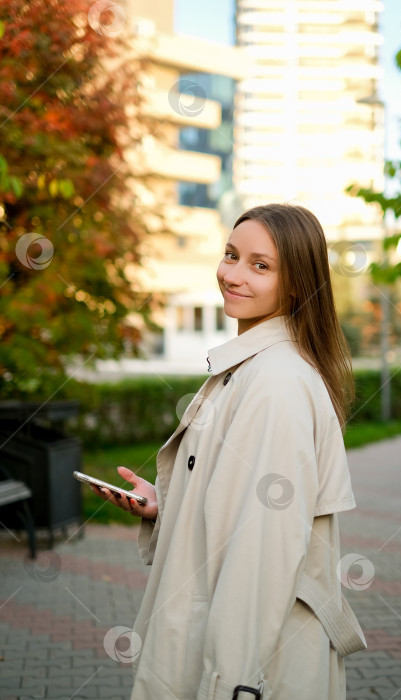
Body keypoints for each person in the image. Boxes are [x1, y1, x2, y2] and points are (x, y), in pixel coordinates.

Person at [89, 203, 366, 700]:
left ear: (298, 283)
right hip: (219, 639)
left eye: (260, 265)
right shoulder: (251, 367)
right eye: (231, 255)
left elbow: (265, 554)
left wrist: (230, 685)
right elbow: (234, 502)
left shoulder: (275, 382)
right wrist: (167, 505)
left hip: (247, 663)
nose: (233, 275)